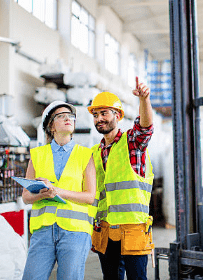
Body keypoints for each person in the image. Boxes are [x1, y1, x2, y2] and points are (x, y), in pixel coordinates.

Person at [88, 77, 155, 280]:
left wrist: (144, 100)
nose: (100, 118)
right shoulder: (93, 153)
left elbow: (145, 129)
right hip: (105, 231)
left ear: (117, 115)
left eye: (104, 113)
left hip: (133, 230)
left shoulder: (131, 143)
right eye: (96, 114)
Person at [22, 101, 97, 280]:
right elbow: (25, 197)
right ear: (51, 126)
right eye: (61, 116)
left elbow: (89, 196)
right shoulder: (37, 155)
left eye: (70, 116)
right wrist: (41, 192)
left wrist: (57, 191)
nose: (67, 119)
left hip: (75, 232)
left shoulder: (85, 155)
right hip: (43, 231)